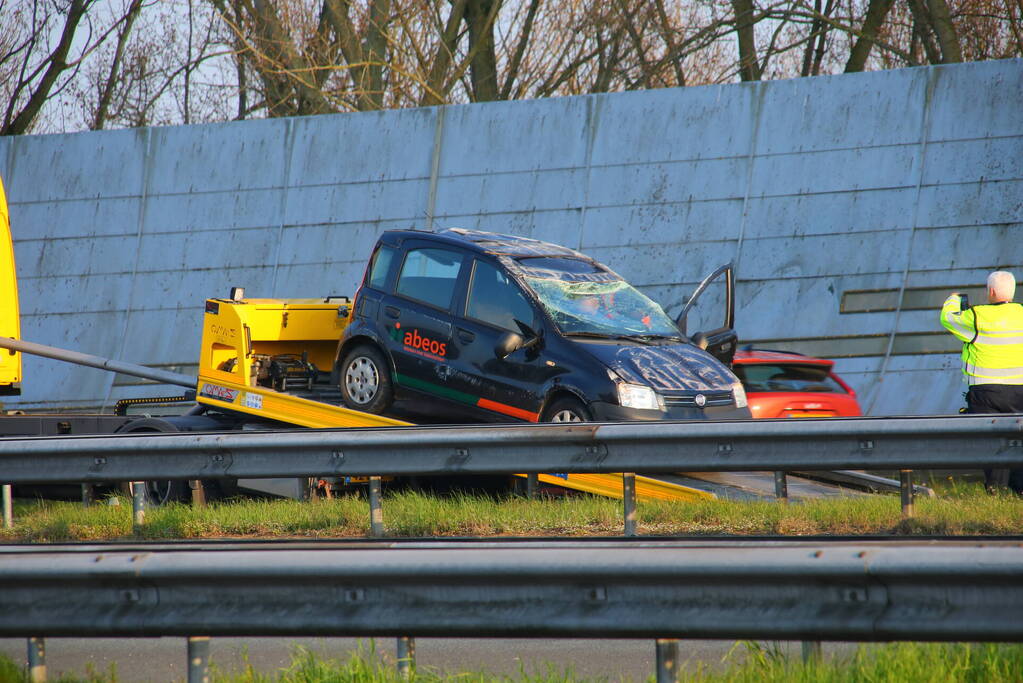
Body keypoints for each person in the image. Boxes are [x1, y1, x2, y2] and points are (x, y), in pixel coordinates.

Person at [940, 270, 1023, 494]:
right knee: (1019, 439)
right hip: (1020, 391)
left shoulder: (977, 316)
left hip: (986, 391)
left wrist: (954, 299)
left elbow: (947, 319)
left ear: (991, 291)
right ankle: (1020, 488)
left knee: (991, 441)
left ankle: (995, 489)